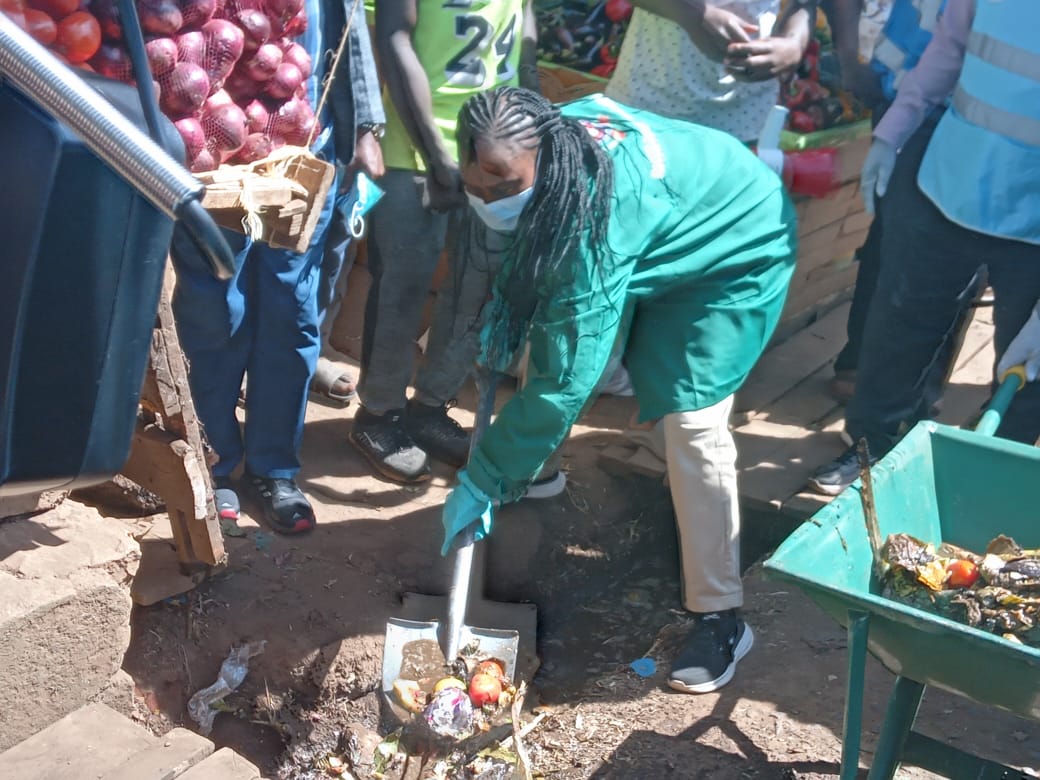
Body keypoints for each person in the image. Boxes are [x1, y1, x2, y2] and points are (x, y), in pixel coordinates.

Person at [441, 87, 797, 692]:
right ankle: (537, 470)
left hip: (737, 245)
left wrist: (485, 475)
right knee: (553, 323)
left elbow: (565, 379)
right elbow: (553, 316)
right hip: (665, 225)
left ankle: (720, 615)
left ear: (544, 161)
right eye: (475, 187)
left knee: (692, 424)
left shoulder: (599, 219)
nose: (488, 201)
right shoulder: (544, 142)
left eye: (503, 189)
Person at [809, 0, 1040, 495]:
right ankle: (874, 448)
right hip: (950, 181)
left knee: (1026, 367)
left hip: (1034, 222)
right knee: (902, 322)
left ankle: (994, 477)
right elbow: (949, 50)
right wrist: (892, 133)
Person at [171, 0, 385, 533]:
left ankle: (274, 468)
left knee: (291, 312)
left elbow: (350, 23)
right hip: (214, 153)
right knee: (215, 309)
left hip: (308, 150)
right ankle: (215, 461)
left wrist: (365, 124)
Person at [350, 0, 539, 483]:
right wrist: (436, 152)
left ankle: (429, 409)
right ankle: (379, 414)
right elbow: (393, 40)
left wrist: (535, 140)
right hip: (413, 152)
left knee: (476, 288)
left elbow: (525, 45)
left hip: (497, 155)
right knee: (403, 288)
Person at [822, 0, 952, 403]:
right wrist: (848, 60)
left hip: (975, 123)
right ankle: (860, 363)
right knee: (889, 237)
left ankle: (913, 393)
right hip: (902, 97)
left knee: (957, 262)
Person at [604, 0, 814, 144]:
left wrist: (793, 43)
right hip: (647, 107)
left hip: (748, 118)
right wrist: (693, 13)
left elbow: (805, 3)